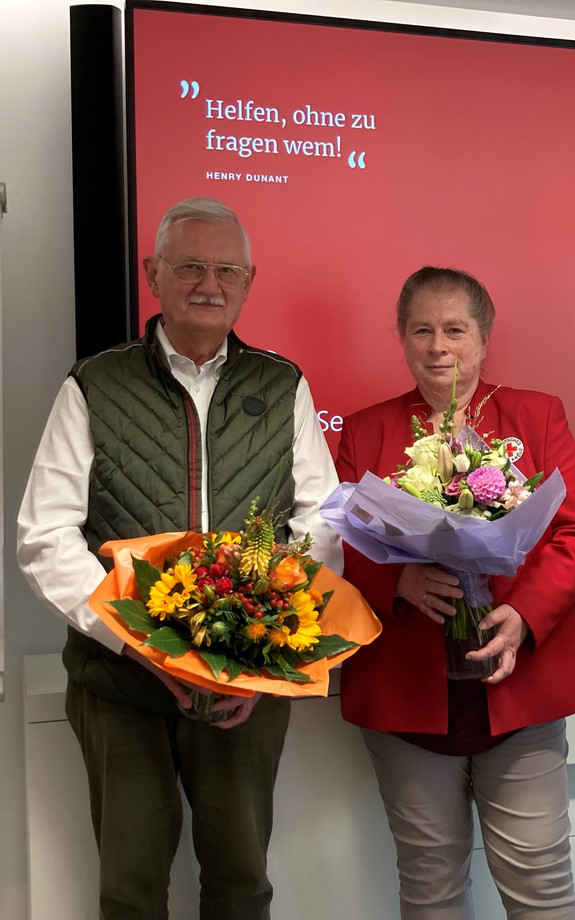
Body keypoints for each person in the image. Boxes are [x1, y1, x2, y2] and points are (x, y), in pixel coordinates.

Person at [17, 196, 343, 920]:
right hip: (119, 684)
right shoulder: (94, 386)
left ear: (249, 279)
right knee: (130, 890)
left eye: (227, 268)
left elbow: (320, 525)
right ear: (152, 273)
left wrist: (267, 654)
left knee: (241, 883)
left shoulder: (281, 384)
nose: (209, 282)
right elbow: (45, 535)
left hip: (245, 684)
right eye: (190, 265)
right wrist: (139, 647)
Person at [335, 266, 575, 919]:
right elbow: (340, 542)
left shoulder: (536, 414)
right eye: (422, 330)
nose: (439, 346)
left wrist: (524, 614)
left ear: (483, 338)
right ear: (403, 340)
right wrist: (396, 578)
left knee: (540, 882)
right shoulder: (365, 430)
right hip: (408, 687)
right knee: (430, 885)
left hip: (522, 679)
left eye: (455, 330)